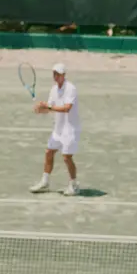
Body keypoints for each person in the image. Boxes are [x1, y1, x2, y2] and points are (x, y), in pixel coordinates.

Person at [30, 62, 81, 196]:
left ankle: (74, 185)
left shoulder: (71, 88)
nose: (55, 76)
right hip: (58, 129)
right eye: (54, 73)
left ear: (64, 75)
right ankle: (45, 182)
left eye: (58, 74)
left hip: (70, 129)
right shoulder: (53, 89)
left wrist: (49, 107)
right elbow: (50, 108)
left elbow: (67, 108)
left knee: (66, 157)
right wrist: (41, 109)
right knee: (49, 152)